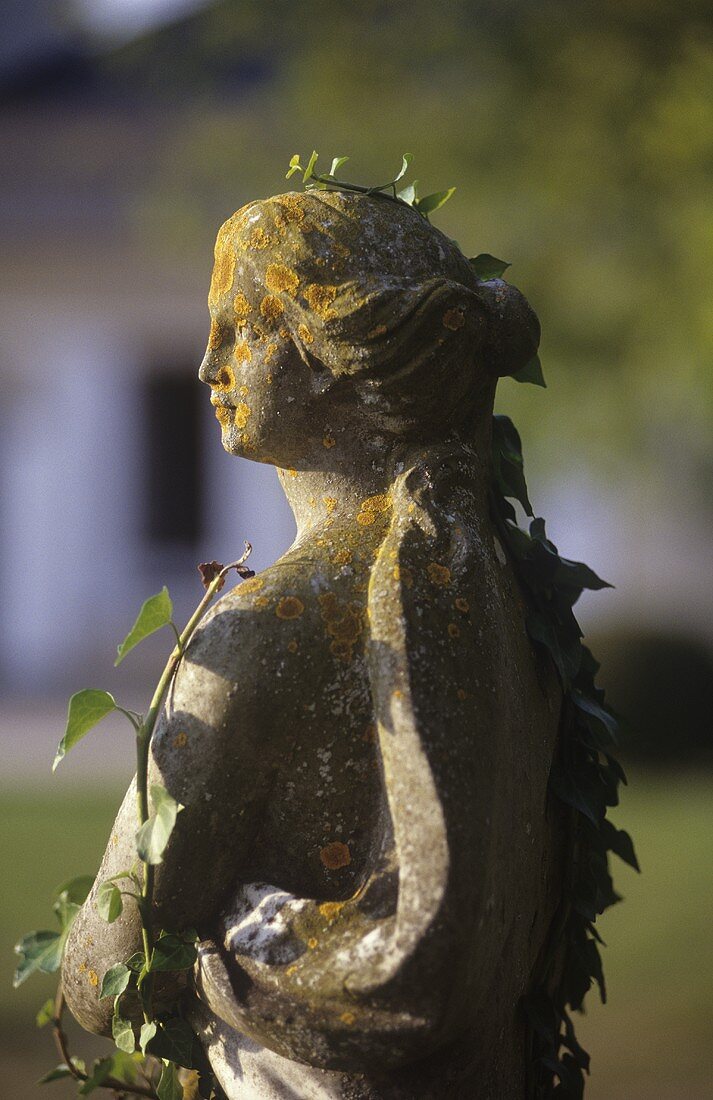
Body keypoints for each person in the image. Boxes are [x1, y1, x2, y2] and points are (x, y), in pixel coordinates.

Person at [63, 189, 563, 1098]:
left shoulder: (265, 627)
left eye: (239, 329)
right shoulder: (492, 582)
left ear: (334, 355)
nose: (208, 362)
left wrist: (220, 939)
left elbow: (106, 974)